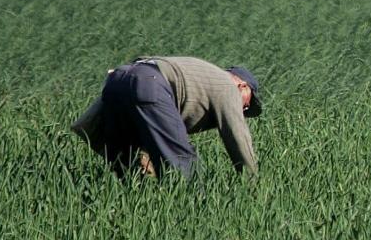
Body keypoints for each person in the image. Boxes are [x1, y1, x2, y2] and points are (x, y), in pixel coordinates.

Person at [72, 56, 262, 177]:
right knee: (185, 169)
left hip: (118, 80)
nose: (244, 108)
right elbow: (237, 137)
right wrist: (252, 185)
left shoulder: (205, 77)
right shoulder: (227, 87)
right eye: (247, 103)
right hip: (150, 85)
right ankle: (195, 215)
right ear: (242, 86)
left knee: (130, 171)